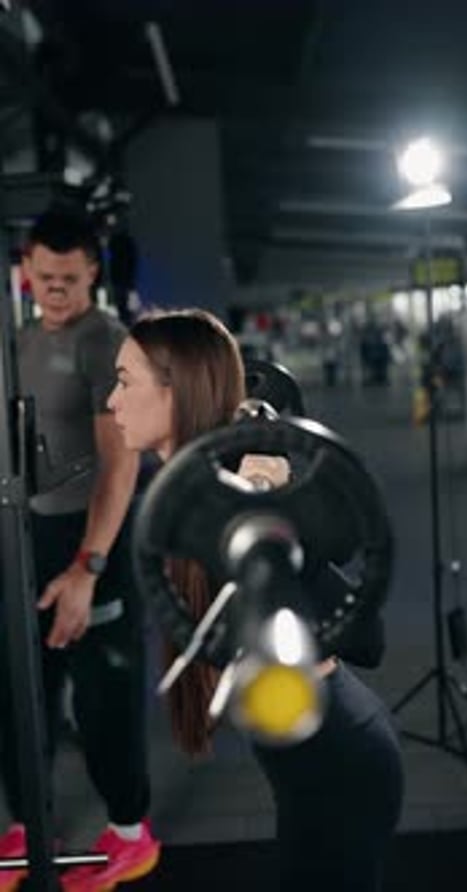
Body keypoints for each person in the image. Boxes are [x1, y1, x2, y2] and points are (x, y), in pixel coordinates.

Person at [107, 308, 404, 891]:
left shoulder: (242, 501)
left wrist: (281, 514)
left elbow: (369, 641)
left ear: (176, 392)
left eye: (124, 381)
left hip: (340, 759)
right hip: (304, 759)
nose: (112, 401)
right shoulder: (189, 497)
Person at [0, 208, 160, 892]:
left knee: (103, 698)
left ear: (92, 271)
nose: (56, 291)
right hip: (25, 537)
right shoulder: (20, 339)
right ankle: (26, 822)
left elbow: (119, 467)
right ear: (25, 271)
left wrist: (87, 567)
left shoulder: (109, 342)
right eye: (43, 278)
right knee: (17, 689)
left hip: (95, 539)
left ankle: (131, 833)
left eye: (69, 278)